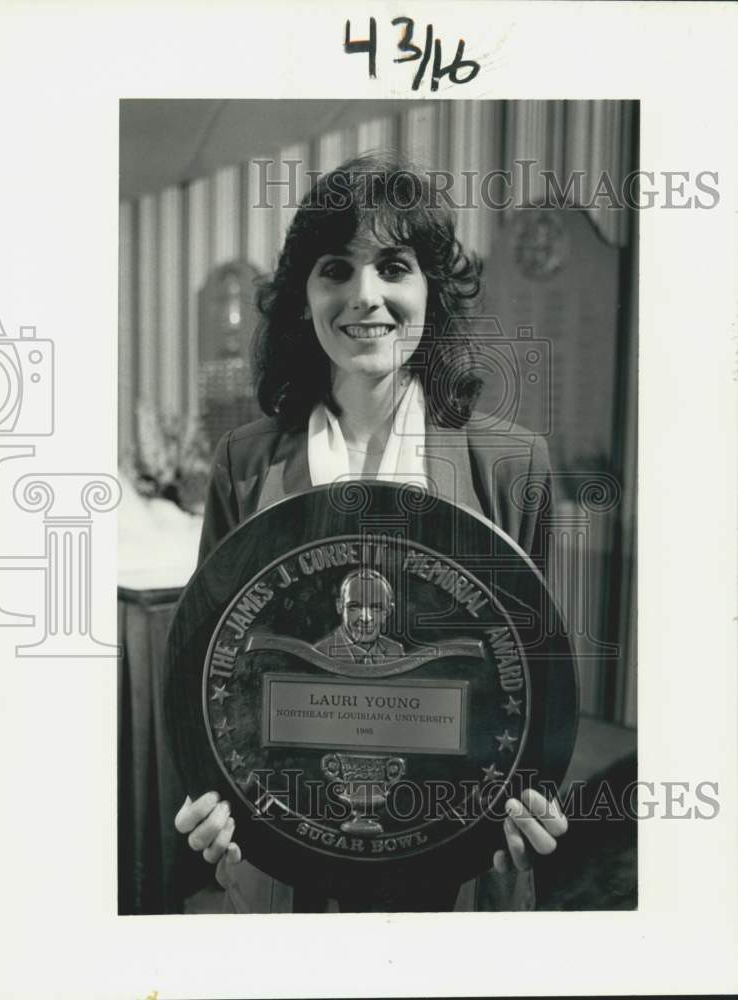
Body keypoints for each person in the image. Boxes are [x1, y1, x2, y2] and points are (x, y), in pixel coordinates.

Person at [174, 152, 568, 913]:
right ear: (304, 296)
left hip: (457, 854)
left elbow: (539, 677)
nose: (366, 297)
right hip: (285, 850)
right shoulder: (245, 462)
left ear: (431, 291)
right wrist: (209, 802)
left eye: (394, 267)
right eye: (335, 269)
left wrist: (536, 804)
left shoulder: (514, 464)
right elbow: (210, 672)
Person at [315, 568, 404, 663]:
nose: (366, 618)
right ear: (339, 607)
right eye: (355, 606)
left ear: (387, 611)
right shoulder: (320, 653)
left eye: (376, 607)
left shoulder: (395, 651)